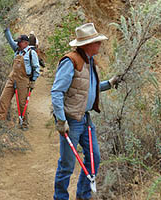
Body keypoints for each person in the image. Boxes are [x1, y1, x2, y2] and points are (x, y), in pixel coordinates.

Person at [51, 23, 120, 200]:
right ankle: (60, 197)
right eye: (96, 41)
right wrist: (60, 120)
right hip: (71, 120)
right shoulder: (70, 61)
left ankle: (83, 195)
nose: (99, 44)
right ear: (87, 44)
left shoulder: (90, 61)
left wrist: (109, 83)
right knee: (67, 164)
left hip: (85, 119)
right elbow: (57, 91)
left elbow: (88, 88)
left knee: (94, 158)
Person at [0, 28, 40, 130]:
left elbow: (36, 68)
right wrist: (6, 29)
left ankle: (23, 124)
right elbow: (10, 40)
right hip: (12, 78)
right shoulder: (17, 50)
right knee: (3, 99)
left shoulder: (31, 53)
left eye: (19, 43)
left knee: (22, 103)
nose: (17, 44)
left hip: (24, 80)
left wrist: (33, 81)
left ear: (25, 43)